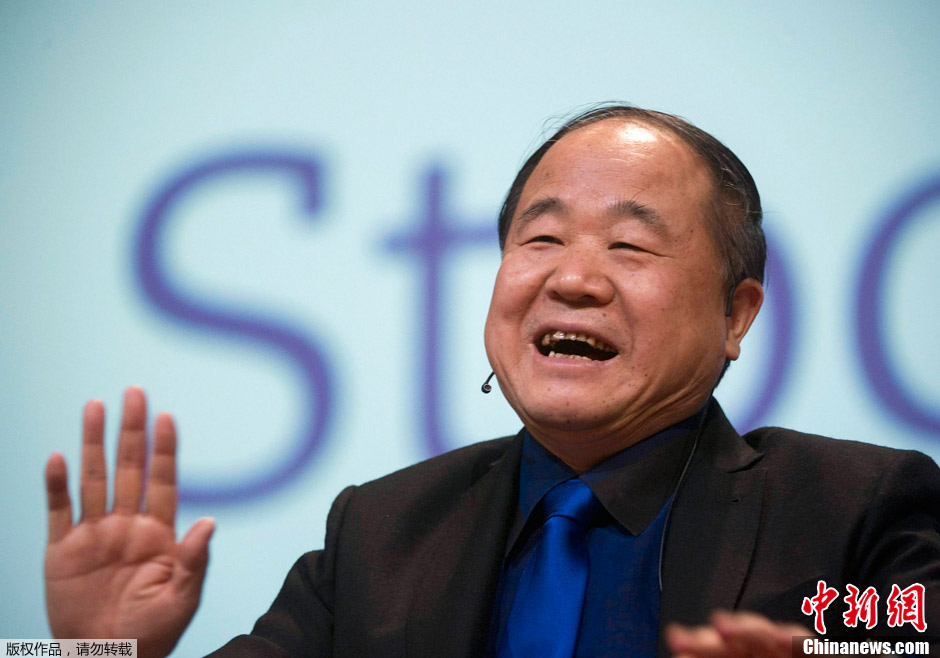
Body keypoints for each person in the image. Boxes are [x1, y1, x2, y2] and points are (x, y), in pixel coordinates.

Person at [44, 105, 940, 658]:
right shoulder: (382, 533)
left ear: (736, 315)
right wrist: (96, 653)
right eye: (540, 239)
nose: (574, 278)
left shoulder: (855, 509)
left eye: (630, 245)